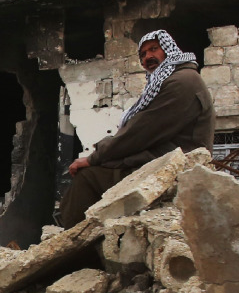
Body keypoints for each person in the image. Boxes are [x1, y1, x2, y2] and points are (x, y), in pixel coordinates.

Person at [59, 30, 215, 228]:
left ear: (168, 50)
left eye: (153, 49)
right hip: (160, 157)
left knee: (89, 176)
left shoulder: (181, 82)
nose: (148, 57)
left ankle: (73, 244)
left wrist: (94, 157)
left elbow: (140, 133)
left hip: (170, 164)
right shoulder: (177, 79)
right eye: (142, 54)